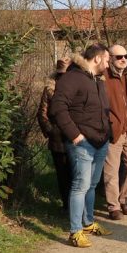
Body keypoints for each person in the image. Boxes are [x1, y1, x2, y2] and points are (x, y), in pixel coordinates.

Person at [49, 44, 112, 248]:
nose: (108, 63)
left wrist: (107, 134)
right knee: (80, 185)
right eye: (107, 59)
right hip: (82, 144)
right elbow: (57, 107)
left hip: (100, 143)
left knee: (91, 186)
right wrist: (74, 135)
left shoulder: (98, 81)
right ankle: (75, 231)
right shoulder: (72, 77)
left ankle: (87, 223)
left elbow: (102, 111)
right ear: (97, 59)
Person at [103, 45, 127, 220]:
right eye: (119, 57)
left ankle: (122, 198)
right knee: (111, 171)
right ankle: (113, 206)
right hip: (114, 131)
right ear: (110, 57)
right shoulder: (104, 77)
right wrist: (109, 124)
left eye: (126, 56)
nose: (123, 59)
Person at [37, 57, 72, 211]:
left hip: (76, 136)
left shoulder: (77, 87)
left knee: (77, 173)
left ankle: (77, 206)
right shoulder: (50, 89)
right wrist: (51, 130)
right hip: (57, 138)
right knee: (62, 174)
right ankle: (67, 205)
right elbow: (42, 113)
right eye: (60, 74)